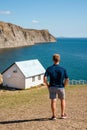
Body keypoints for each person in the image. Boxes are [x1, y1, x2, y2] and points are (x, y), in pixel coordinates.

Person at [44, 54, 69, 120]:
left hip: (52, 87)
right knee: (62, 100)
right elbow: (67, 79)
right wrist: (64, 85)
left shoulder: (49, 68)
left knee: (53, 101)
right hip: (61, 87)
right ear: (59, 60)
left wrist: (47, 85)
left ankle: (54, 116)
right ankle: (62, 114)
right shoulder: (63, 69)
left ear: (53, 60)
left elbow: (45, 78)